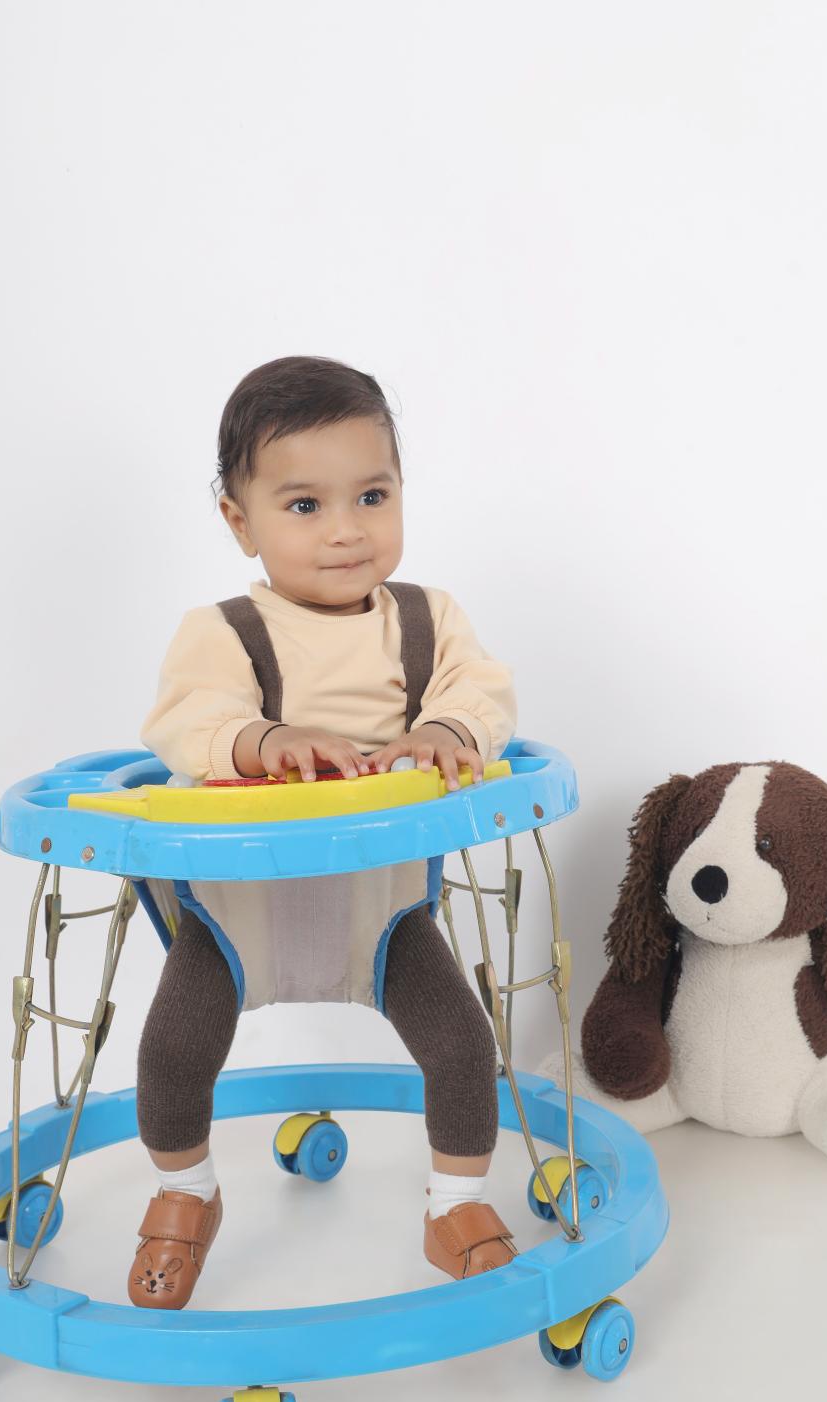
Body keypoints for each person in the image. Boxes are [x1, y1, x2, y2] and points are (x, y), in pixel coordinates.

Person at [128, 355, 520, 1308]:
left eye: (372, 496)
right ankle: (186, 1193)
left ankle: (456, 1204)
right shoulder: (225, 630)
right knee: (174, 1052)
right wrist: (260, 741)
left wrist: (449, 728)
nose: (346, 530)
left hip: (379, 906)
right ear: (240, 521)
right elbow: (186, 718)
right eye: (304, 505)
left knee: (463, 1046)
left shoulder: (427, 620)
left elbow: (483, 691)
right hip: (239, 910)